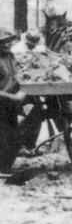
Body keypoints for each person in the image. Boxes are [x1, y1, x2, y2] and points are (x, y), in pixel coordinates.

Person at [0, 28, 26, 173]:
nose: (5, 45)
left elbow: (16, 76)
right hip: (2, 103)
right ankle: (2, 171)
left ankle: (5, 169)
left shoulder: (10, 56)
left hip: (10, 106)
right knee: (4, 141)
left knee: (15, 141)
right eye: (2, 43)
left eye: (7, 42)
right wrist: (13, 97)